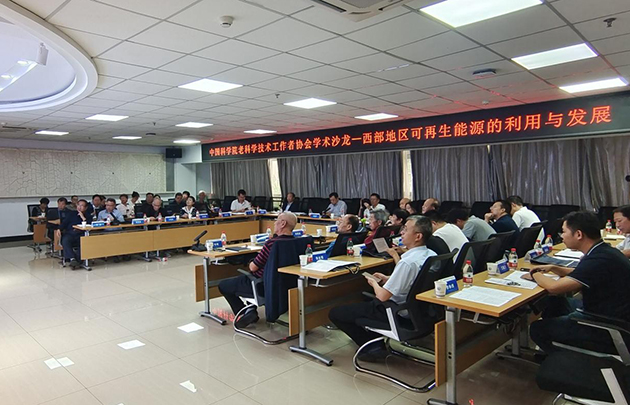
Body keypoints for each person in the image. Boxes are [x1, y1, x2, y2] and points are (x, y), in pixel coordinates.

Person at [328, 215, 437, 360]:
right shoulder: (431, 255)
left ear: (418, 236)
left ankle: (371, 347)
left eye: (406, 229)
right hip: (420, 313)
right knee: (362, 303)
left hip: (395, 312)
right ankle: (375, 339)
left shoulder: (407, 262)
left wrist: (374, 283)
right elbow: (414, 281)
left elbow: (382, 296)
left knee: (335, 313)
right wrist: (388, 279)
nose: (402, 232)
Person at [528, 211, 630, 356]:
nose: (561, 236)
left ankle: (568, 361)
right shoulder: (603, 251)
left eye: (564, 232)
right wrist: (555, 268)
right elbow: (584, 272)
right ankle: (558, 348)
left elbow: (554, 288)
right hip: (610, 312)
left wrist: (534, 273)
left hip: (608, 324)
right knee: (554, 303)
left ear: (579, 234)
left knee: (537, 329)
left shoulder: (598, 259)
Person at [218, 212, 298, 327]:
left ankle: (244, 313)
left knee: (223, 285)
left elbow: (253, 267)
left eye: (277, 220)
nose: (274, 223)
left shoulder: (272, 244)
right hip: (283, 285)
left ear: (283, 224)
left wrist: (251, 260)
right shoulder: (295, 242)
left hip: (261, 285)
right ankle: (250, 308)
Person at [58, 199, 92, 270]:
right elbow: (64, 223)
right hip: (70, 233)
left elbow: (89, 226)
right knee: (65, 240)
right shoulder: (71, 214)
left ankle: (78, 260)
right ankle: (72, 258)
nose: (79, 207)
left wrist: (83, 217)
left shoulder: (88, 216)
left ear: (85, 208)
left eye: (82, 206)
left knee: (83, 243)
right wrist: (59, 229)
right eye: (78, 205)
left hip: (81, 234)